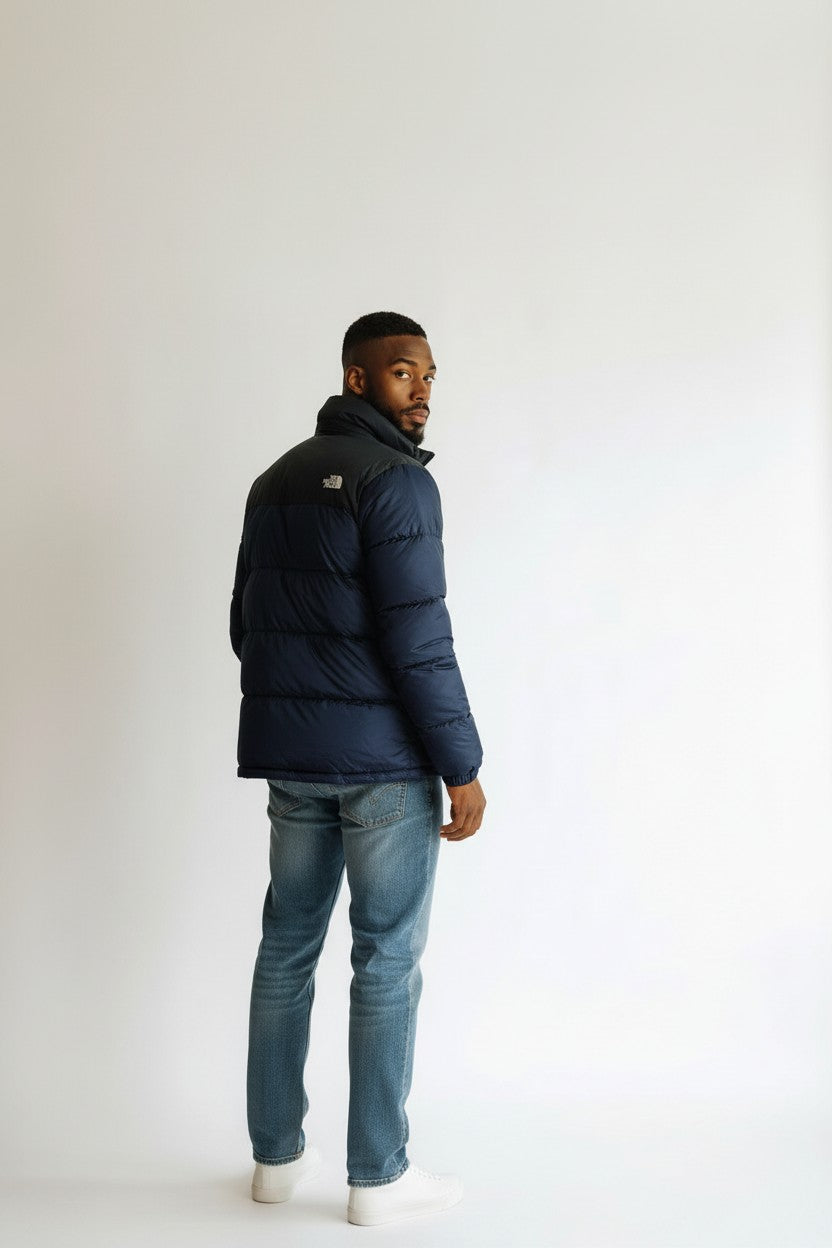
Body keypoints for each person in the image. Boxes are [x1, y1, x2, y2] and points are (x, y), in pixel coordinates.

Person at [229, 310, 486, 1226]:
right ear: (357, 379)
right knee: (385, 964)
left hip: (293, 766)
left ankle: (272, 1163)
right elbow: (421, 645)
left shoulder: (272, 483)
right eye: (404, 374)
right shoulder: (398, 487)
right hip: (382, 770)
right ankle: (378, 1176)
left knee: (285, 951)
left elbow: (244, 626)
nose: (422, 391)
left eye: (427, 376)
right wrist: (462, 764)